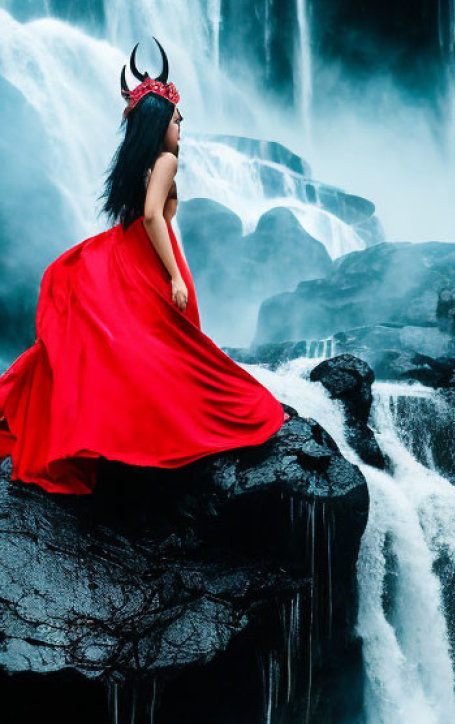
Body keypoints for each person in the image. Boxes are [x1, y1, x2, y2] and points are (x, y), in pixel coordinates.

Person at [0, 38, 288, 494]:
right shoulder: (167, 160)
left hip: (124, 252)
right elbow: (156, 216)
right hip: (150, 258)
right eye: (177, 119)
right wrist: (174, 274)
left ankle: (110, 430)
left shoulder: (136, 165)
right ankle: (174, 433)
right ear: (159, 124)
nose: (182, 127)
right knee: (173, 352)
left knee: (131, 350)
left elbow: (143, 215)